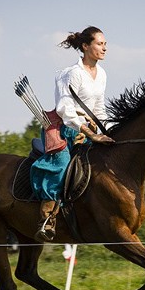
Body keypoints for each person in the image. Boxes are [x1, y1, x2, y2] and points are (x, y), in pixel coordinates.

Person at [30, 26, 114, 242]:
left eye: (105, 44)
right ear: (86, 46)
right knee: (62, 164)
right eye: (99, 43)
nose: (104, 48)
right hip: (65, 129)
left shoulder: (102, 74)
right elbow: (66, 112)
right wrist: (90, 134)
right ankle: (47, 218)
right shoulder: (71, 74)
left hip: (89, 129)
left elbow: (99, 109)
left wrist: (106, 129)